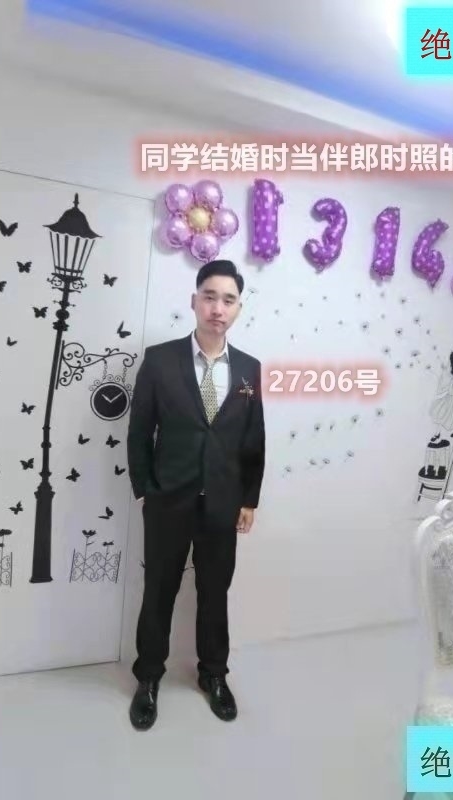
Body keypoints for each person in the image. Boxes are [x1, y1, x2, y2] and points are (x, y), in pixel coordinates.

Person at [126, 259, 265, 731]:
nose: (217, 308)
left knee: (214, 593)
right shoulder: (160, 360)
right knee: (158, 592)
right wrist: (145, 491)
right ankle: (148, 677)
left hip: (222, 504)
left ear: (238, 308)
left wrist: (249, 500)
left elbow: (253, 439)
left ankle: (214, 675)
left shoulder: (248, 369)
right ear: (194, 301)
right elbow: (140, 432)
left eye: (228, 300)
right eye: (209, 297)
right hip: (168, 500)